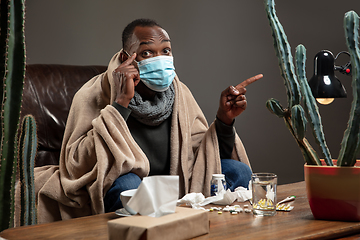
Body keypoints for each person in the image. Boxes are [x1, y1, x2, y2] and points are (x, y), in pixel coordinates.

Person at [34, 18, 262, 223]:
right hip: (129, 189)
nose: (160, 59)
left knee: (238, 172)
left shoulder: (180, 94)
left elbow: (206, 159)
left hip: (179, 188)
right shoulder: (93, 94)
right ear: (126, 58)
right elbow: (76, 164)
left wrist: (224, 119)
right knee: (129, 186)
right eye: (147, 53)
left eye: (166, 50)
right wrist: (121, 104)